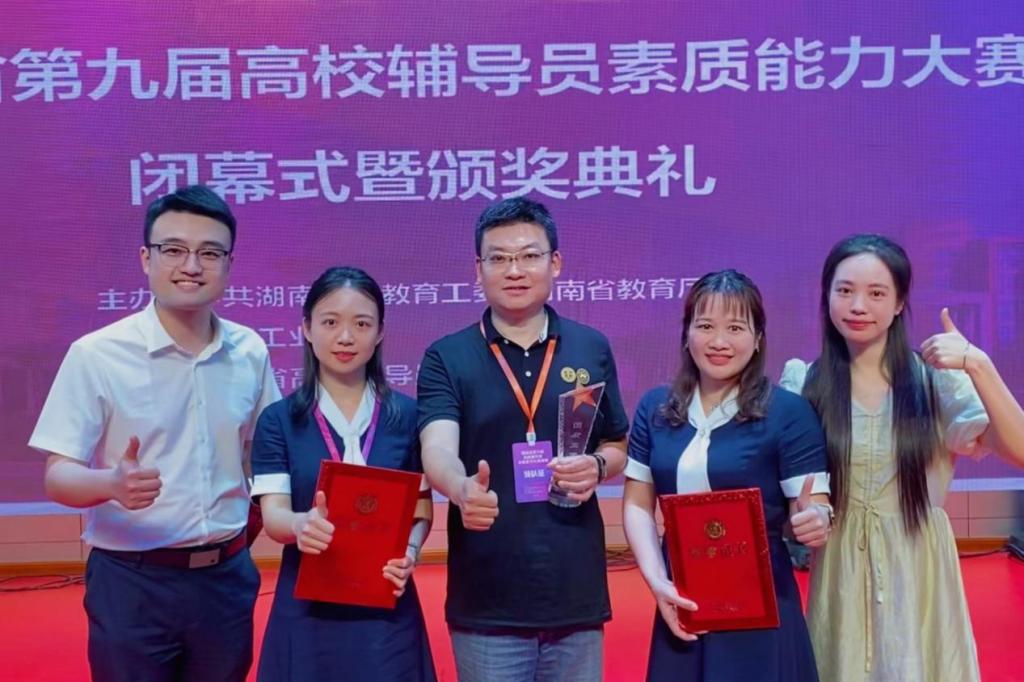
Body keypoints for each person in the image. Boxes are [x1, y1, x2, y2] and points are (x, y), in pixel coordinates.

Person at [29, 185, 280, 681]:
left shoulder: (249, 351)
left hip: (226, 579)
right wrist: (109, 484)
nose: (192, 266)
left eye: (210, 253)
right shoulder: (97, 354)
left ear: (229, 264)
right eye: (174, 250)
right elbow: (58, 476)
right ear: (146, 259)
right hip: (133, 582)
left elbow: (264, 453)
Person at [781, 234, 1024, 682]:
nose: (858, 306)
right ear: (826, 295)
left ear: (899, 303)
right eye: (845, 290)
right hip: (840, 572)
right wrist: (803, 515)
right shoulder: (804, 382)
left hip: (919, 571)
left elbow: (1021, 451)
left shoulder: (935, 379)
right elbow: (791, 490)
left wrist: (979, 364)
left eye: (876, 293)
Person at [417, 198, 630, 681]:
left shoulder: (590, 347)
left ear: (555, 263)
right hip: (487, 595)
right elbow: (437, 448)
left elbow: (617, 445)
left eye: (530, 255)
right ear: (478, 270)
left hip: (575, 589)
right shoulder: (448, 357)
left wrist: (597, 466)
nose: (515, 270)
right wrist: (460, 488)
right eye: (499, 258)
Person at [623, 269, 831, 682]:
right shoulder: (655, 408)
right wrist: (657, 581)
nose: (719, 341)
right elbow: (638, 504)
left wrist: (816, 519)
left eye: (735, 328)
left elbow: (813, 505)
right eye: (705, 326)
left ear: (758, 339)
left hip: (761, 600)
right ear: (687, 335)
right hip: (680, 596)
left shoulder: (788, 412)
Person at [251, 266, 435, 682]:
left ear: (380, 332)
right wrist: (300, 524)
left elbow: (421, 509)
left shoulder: (408, 417)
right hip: (307, 608)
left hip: (387, 607)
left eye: (362, 324)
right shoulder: (279, 421)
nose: (346, 337)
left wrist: (410, 552)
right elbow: (274, 515)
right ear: (306, 328)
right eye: (330, 322)